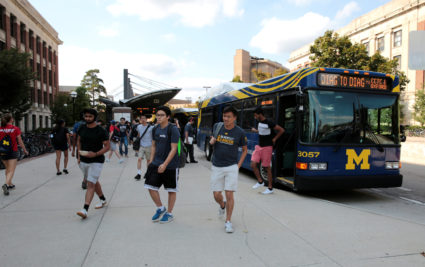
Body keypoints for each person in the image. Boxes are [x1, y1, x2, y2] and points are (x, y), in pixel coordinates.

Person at [209, 106, 247, 233]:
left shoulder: (239, 132)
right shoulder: (218, 127)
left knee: (229, 194)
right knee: (216, 195)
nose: (226, 119)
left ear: (234, 118)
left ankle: (228, 221)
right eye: (224, 116)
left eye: (229, 117)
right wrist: (212, 141)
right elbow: (211, 141)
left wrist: (238, 166)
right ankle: (222, 205)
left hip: (231, 166)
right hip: (217, 165)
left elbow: (245, 150)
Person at [144, 106, 180, 224]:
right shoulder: (155, 129)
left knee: (171, 190)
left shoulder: (173, 129)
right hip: (156, 163)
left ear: (168, 117)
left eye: (161, 115)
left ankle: (169, 213)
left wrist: (165, 164)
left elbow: (174, 149)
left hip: (170, 165)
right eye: (157, 115)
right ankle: (160, 208)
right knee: (150, 186)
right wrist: (151, 160)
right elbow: (154, 145)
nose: (158, 117)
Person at [76, 108, 110, 219]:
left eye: (90, 116)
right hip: (83, 160)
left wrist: (95, 154)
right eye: (86, 116)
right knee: (93, 181)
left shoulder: (101, 130)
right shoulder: (82, 128)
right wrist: (78, 155)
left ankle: (85, 209)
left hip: (97, 160)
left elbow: (107, 147)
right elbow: (79, 141)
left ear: (94, 117)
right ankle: (103, 199)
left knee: (90, 184)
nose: (87, 118)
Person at [250, 107, 284, 194]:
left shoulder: (269, 122)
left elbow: (281, 130)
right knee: (253, 164)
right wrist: (256, 131)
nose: (255, 117)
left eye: (255, 115)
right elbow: (263, 131)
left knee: (267, 167)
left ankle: (270, 188)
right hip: (259, 146)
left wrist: (275, 139)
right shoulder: (259, 122)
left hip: (267, 147)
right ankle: (260, 181)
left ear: (259, 114)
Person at [0, 114, 28, 195]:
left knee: (7, 169)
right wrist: (25, 150)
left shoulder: (0, 129)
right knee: (11, 170)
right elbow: (20, 141)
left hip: (2, 151)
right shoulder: (15, 128)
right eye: (12, 118)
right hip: (12, 151)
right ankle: (6, 184)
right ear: (11, 119)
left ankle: (10, 184)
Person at [72, 114, 87, 189]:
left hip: (80, 148)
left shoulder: (77, 124)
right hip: (88, 147)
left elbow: (74, 137)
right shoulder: (92, 124)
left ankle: (85, 179)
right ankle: (85, 179)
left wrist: (74, 149)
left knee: (83, 164)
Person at [135, 114, 153, 180]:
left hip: (149, 146)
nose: (142, 119)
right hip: (141, 146)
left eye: (144, 118)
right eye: (141, 118)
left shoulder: (151, 128)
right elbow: (139, 135)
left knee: (148, 160)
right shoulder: (139, 127)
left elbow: (153, 137)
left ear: (146, 119)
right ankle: (139, 173)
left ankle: (147, 173)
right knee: (139, 159)